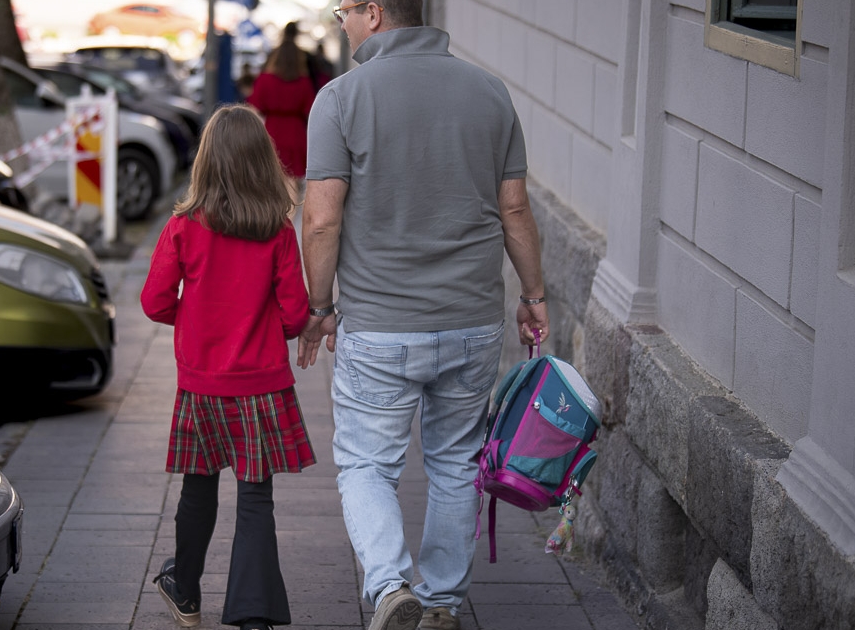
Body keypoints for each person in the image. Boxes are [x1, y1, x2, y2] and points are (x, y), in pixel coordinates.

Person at [296, 2, 550, 630]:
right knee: (455, 463)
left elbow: (321, 218)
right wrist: (533, 295)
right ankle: (440, 602)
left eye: (344, 11)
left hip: (380, 323)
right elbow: (514, 209)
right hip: (470, 322)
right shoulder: (490, 92)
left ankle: (388, 588)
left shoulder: (339, 99)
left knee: (365, 464)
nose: (340, 23)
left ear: (375, 13)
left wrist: (321, 307)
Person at [141, 103, 316, 630]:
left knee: (197, 488)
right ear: (263, 161)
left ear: (206, 161)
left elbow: (153, 302)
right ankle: (253, 613)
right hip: (261, 385)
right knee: (255, 496)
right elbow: (294, 315)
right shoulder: (277, 230)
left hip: (201, 384)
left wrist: (191, 319)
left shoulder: (183, 227)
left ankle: (187, 592)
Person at [246, 21, 316, 186]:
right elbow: (310, 109)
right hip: (296, 132)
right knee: (291, 182)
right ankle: (289, 213)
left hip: (272, 132)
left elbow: (253, 108)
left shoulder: (265, 80)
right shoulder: (303, 82)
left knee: (270, 181)